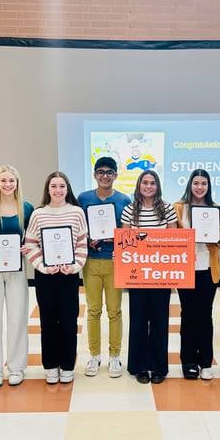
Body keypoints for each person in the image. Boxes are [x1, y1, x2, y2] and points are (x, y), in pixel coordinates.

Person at [24, 172, 88, 384]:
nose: (58, 190)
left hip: (69, 275)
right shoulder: (38, 214)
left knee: (69, 321)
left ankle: (68, 365)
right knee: (48, 321)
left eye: (62, 186)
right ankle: (51, 366)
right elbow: (30, 243)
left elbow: (81, 243)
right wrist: (43, 266)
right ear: (48, 189)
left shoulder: (77, 212)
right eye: (54, 186)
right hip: (46, 277)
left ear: (67, 189)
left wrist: (74, 266)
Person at [0, 165, 34, 387]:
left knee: (18, 317)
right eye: (3, 181)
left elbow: (31, 237)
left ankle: (16, 366)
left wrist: (26, 248)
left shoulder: (26, 208)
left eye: (11, 180)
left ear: (17, 183)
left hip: (17, 269)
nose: (7, 185)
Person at [121, 170, 178, 384]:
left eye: (152, 183)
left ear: (158, 186)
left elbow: (174, 240)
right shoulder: (129, 210)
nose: (148, 186)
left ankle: (159, 367)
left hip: (161, 275)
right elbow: (125, 240)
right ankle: (140, 366)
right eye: (144, 183)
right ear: (139, 185)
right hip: (137, 276)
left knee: (159, 321)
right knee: (138, 321)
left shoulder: (168, 209)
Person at [77, 157, 131, 378]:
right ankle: (94, 355)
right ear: (95, 174)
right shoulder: (84, 198)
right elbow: (78, 226)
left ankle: (115, 356)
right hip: (91, 260)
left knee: (115, 310)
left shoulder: (124, 199)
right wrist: (87, 238)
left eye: (109, 172)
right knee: (93, 310)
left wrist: (117, 240)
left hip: (114, 261)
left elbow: (128, 231)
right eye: (101, 171)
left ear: (116, 175)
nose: (105, 175)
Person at [174, 169, 220, 380]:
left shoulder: (214, 208)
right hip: (185, 269)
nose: (199, 187)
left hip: (207, 269)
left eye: (204, 183)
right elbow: (171, 236)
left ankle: (205, 362)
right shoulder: (178, 208)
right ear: (190, 184)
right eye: (196, 183)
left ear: (208, 186)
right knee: (188, 315)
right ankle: (188, 361)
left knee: (205, 315)